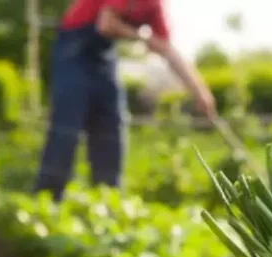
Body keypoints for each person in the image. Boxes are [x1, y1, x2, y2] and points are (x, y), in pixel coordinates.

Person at [33, 0, 216, 201]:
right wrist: (143, 37)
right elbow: (106, 24)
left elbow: (166, 48)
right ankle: (45, 203)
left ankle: (107, 205)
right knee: (66, 129)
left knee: (111, 128)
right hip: (73, 50)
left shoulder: (154, 6)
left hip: (104, 57)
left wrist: (199, 91)